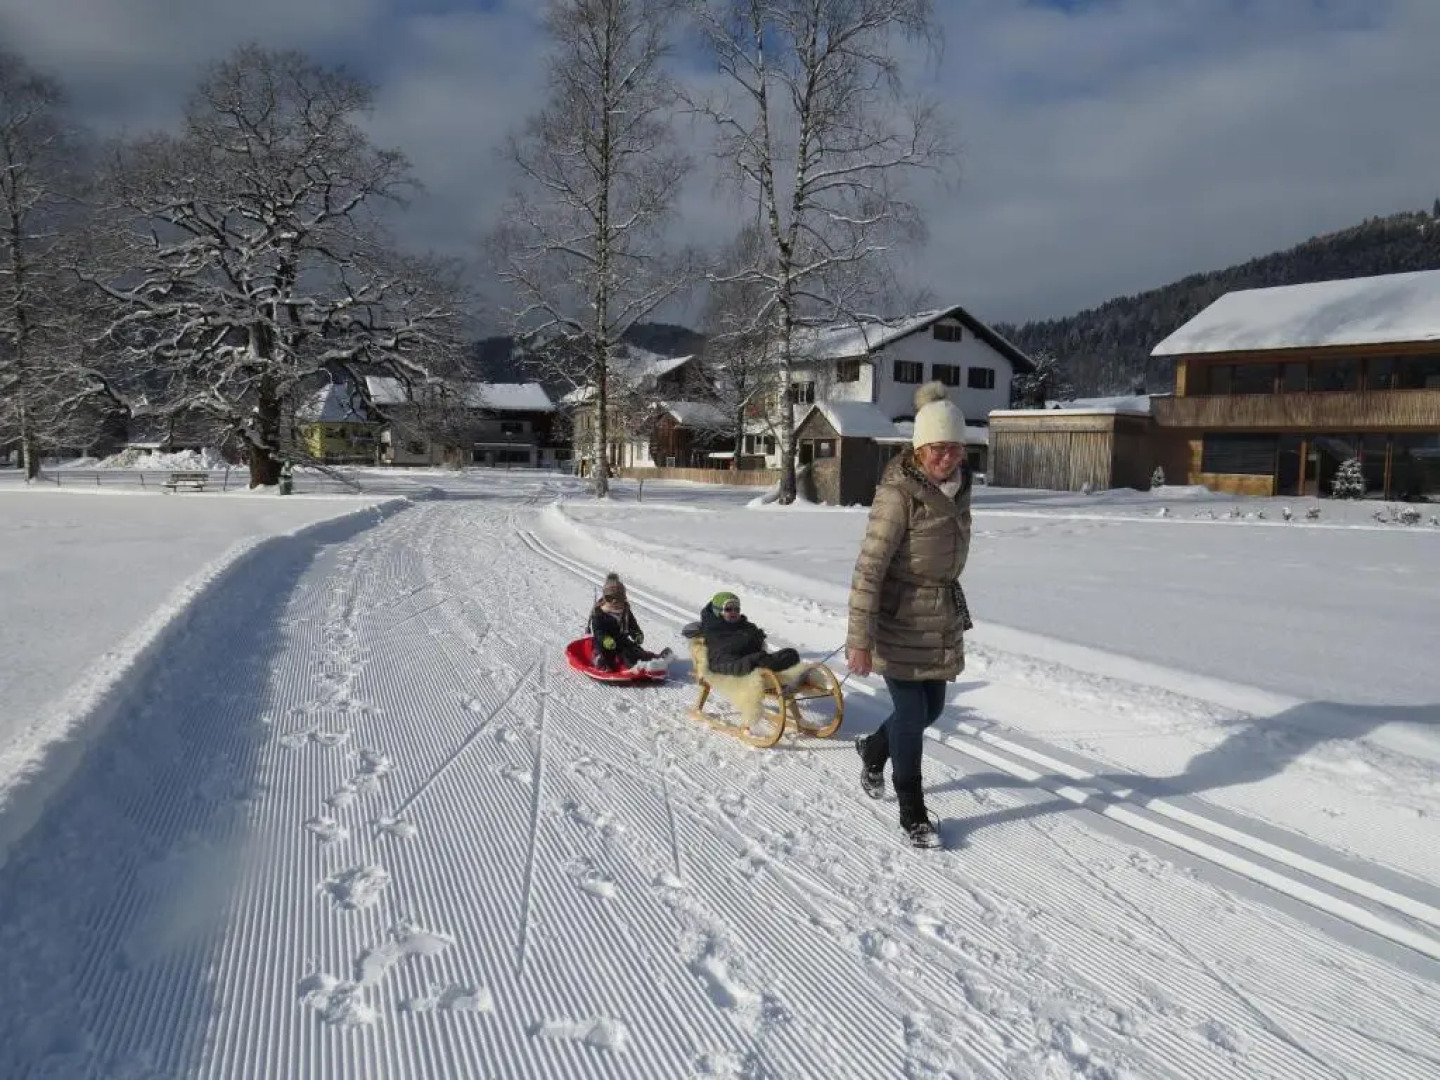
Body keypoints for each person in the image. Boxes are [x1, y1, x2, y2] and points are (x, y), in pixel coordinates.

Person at [847, 381, 974, 849]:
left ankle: (872, 748)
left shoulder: (960, 488)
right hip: (898, 615)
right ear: (919, 450)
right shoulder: (898, 493)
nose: (947, 457)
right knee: (910, 710)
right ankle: (912, 811)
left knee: (932, 708)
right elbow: (869, 567)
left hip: (939, 614)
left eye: (955, 447)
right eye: (938, 448)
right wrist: (859, 638)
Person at [696, 592, 800, 676]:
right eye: (728, 609)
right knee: (760, 659)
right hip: (725, 665)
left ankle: (775, 668)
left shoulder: (745, 625)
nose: (733, 612)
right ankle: (775, 668)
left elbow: (757, 645)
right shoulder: (714, 629)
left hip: (748, 660)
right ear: (718, 611)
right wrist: (745, 642)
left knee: (790, 653)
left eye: (736, 609)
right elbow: (725, 649)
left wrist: (756, 637)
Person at [589, 573, 669, 673]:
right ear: (605, 598)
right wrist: (605, 639)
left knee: (633, 651)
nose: (614, 601)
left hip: (621, 640)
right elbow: (598, 630)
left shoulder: (625, 611)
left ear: (623, 597)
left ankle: (653, 661)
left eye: (618, 597)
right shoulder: (599, 613)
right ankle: (602, 663)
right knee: (604, 655)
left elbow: (632, 625)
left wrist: (637, 634)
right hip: (604, 643)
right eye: (610, 598)